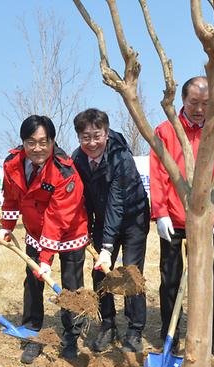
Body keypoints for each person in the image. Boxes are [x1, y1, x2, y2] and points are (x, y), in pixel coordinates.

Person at [149, 76, 214, 357]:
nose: (199, 109)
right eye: (194, 102)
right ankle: (170, 334)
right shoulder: (165, 131)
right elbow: (158, 174)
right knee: (170, 280)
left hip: (208, 220)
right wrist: (160, 212)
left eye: (206, 103)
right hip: (174, 218)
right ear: (182, 101)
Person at [0, 115, 89, 362]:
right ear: (23, 142)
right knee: (33, 282)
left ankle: (71, 336)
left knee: (71, 285)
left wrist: (46, 258)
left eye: (43, 142)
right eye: (31, 142)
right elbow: (11, 197)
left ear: (52, 141)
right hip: (35, 232)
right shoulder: (13, 164)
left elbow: (58, 217)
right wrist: (7, 227)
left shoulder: (64, 171)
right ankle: (32, 333)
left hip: (70, 230)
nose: (37, 148)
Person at [71, 108, 149, 353]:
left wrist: (107, 247)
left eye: (97, 136)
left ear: (106, 133)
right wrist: (85, 229)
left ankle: (135, 329)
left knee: (131, 272)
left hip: (133, 218)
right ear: (78, 137)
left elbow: (117, 201)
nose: (92, 143)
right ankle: (108, 324)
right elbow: (80, 199)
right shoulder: (78, 159)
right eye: (85, 137)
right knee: (100, 272)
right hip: (103, 219)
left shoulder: (120, 157)